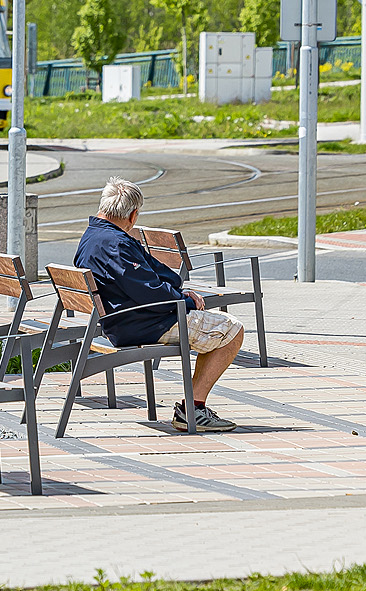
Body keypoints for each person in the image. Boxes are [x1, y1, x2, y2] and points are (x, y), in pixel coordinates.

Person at [74, 177, 244, 433]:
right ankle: (193, 410)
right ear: (132, 215)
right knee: (231, 331)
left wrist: (178, 289)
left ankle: (193, 407)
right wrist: (185, 300)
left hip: (118, 321)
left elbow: (151, 275)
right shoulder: (117, 244)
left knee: (213, 328)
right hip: (142, 324)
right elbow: (151, 294)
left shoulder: (92, 236)